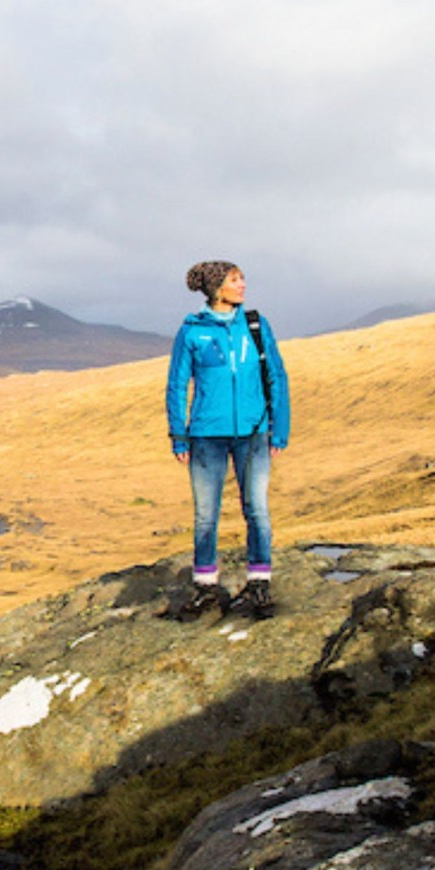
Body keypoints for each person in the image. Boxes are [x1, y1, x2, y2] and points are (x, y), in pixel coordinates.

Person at [165, 260, 290, 620]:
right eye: (235, 280)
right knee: (206, 515)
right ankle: (205, 586)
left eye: (242, 278)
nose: (243, 285)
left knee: (257, 510)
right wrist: (179, 436)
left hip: (254, 433)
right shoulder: (191, 332)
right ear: (217, 287)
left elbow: (277, 376)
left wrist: (278, 429)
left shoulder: (255, 325)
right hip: (206, 436)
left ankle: (259, 582)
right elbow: (176, 386)